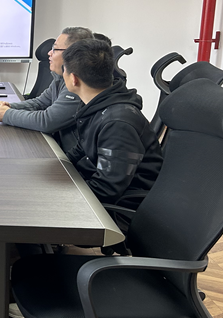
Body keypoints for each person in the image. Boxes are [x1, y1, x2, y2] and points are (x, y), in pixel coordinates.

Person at [60, 39, 162, 204]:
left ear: (73, 79)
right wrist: (55, 167)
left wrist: (58, 196)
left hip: (117, 207)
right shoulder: (96, 102)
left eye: (63, 70)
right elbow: (82, 148)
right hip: (94, 185)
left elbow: (106, 190)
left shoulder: (117, 124)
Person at [0, 27, 93, 151]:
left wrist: (7, 114)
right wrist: (10, 107)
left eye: (55, 49)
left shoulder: (78, 83)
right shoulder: (60, 78)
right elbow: (40, 103)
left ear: (73, 55)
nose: (49, 53)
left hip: (70, 156)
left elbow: (47, 121)